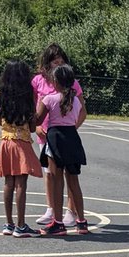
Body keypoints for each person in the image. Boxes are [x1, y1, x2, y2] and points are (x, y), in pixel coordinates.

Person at [32, 45, 85, 228]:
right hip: (63, 137)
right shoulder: (73, 98)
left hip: (56, 137)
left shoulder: (52, 97)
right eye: (55, 62)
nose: (58, 64)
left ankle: (62, 218)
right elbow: (80, 112)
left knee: (58, 178)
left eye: (61, 62)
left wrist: (28, 123)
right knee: (66, 177)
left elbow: (37, 117)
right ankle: (76, 219)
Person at [0, 60, 43, 237]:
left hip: (5, 142)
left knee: (8, 183)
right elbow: (31, 127)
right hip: (21, 142)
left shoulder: (0, 95)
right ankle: (21, 225)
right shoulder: (27, 98)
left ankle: (9, 223)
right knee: (21, 183)